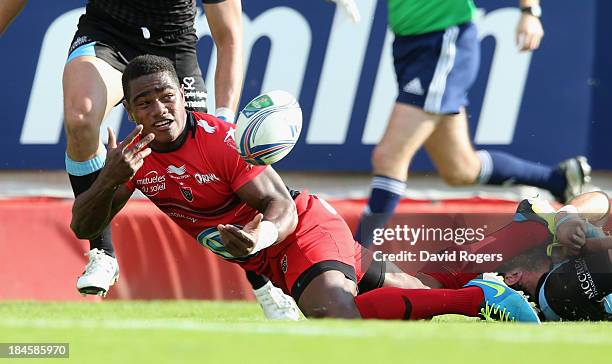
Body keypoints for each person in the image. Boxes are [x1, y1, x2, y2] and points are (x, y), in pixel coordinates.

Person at [70, 54, 541, 322]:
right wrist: (109, 178)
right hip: (270, 258)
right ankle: (509, 258)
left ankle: (481, 300)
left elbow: (279, 205)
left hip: (301, 231)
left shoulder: (222, 141)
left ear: (182, 96)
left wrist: (258, 237)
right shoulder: (130, 158)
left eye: (166, 96)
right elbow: (83, 224)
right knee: (415, 288)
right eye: (145, 103)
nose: (159, 109)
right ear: (131, 112)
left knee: (334, 311)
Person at [0, 0, 303, 321]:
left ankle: (263, 282)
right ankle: (102, 251)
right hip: (106, 37)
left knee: (205, 163)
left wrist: (224, 121)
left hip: (172, 49)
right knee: (81, 120)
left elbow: (230, 36)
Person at [355, 0, 592, 247]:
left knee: (389, 157)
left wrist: (529, 12)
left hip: (442, 43)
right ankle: (558, 179)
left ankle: (356, 256)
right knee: (460, 169)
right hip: (410, 46)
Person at [500, 192, 612, 321]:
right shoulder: (556, 288)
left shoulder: (566, 257)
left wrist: (567, 215)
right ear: (512, 275)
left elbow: (601, 201)